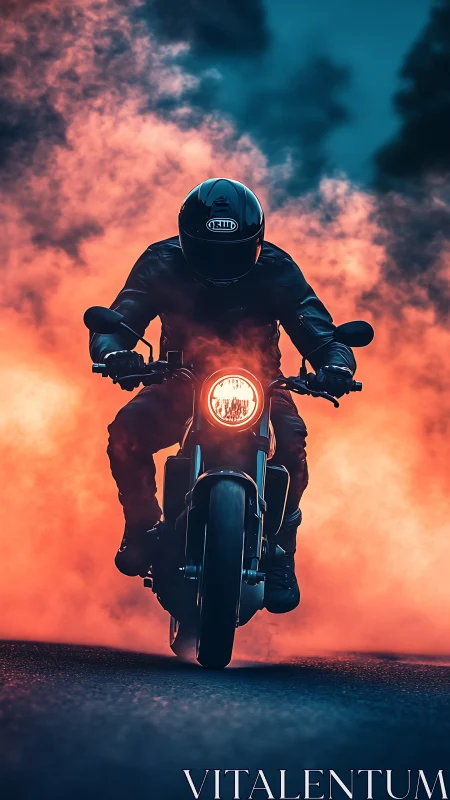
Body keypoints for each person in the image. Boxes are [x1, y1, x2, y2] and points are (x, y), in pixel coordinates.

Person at [89, 178, 356, 614]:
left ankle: (281, 550)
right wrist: (117, 353)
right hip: (179, 379)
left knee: (291, 442)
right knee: (126, 432)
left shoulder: (276, 268)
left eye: (232, 249)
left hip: (263, 385)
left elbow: (320, 332)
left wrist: (337, 367)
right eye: (208, 249)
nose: (219, 260)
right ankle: (140, 524)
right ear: (186, 239)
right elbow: (117, 321)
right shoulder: (161, 262)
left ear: (255, 242)